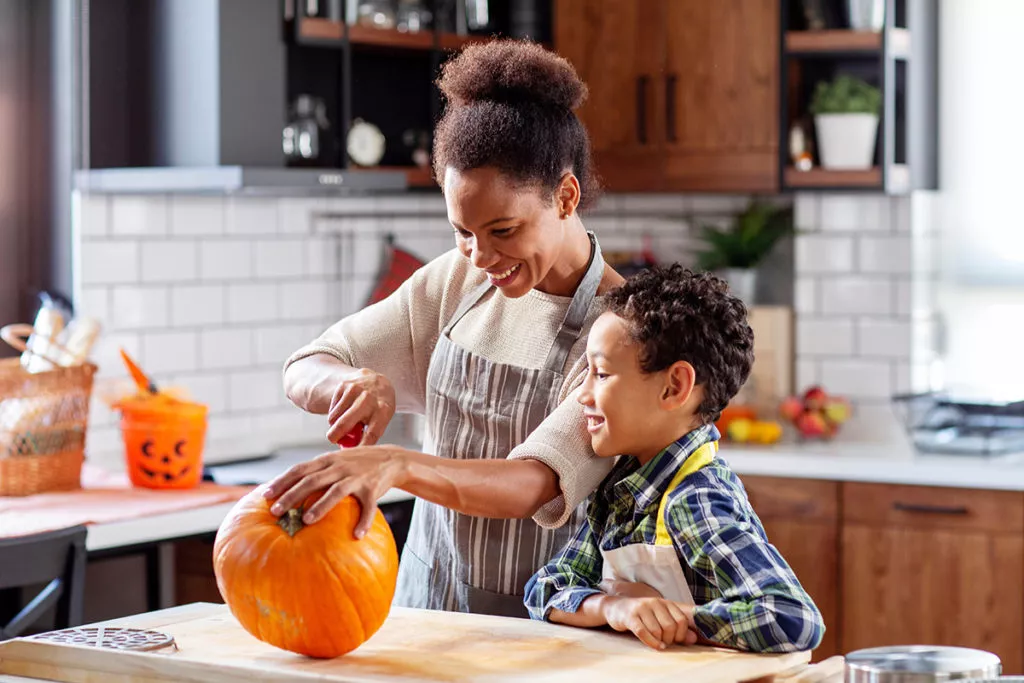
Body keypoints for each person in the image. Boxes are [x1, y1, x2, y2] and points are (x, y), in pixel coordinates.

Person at [265, 39, 625, 618]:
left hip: (544, 631)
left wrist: (399, 465)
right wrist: (352, 383)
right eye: (463, 230)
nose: (479, 254)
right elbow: (307, 363)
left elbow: (537, 483)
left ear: (565, 196)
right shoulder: (456, 283)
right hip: (424, 610)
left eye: (503, 230)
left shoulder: (620, 329)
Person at [523, 266, 825, 653]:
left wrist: (669, 616)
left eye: (600, 374)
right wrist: (613, 606)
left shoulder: (694, 498)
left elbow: (792, 617)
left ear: (675, 386)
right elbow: (544, 588)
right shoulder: (619, 489)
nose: (582, 395)